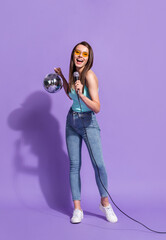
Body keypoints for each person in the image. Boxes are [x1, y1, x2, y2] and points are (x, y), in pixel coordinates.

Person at [54, 41, 118, 224]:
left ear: (89, 58)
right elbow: (70, 95)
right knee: (74, 166)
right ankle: (77, 209)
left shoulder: (89, 76)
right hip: (71, 121)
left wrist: (82, 95)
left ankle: (105, 203)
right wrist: (63, 79)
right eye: (77, 52)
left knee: (99, 165)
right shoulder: (75, 75)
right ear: (73, 55)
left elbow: (97, 107)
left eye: (85, 54)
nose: (80, 56)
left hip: (88, 122)